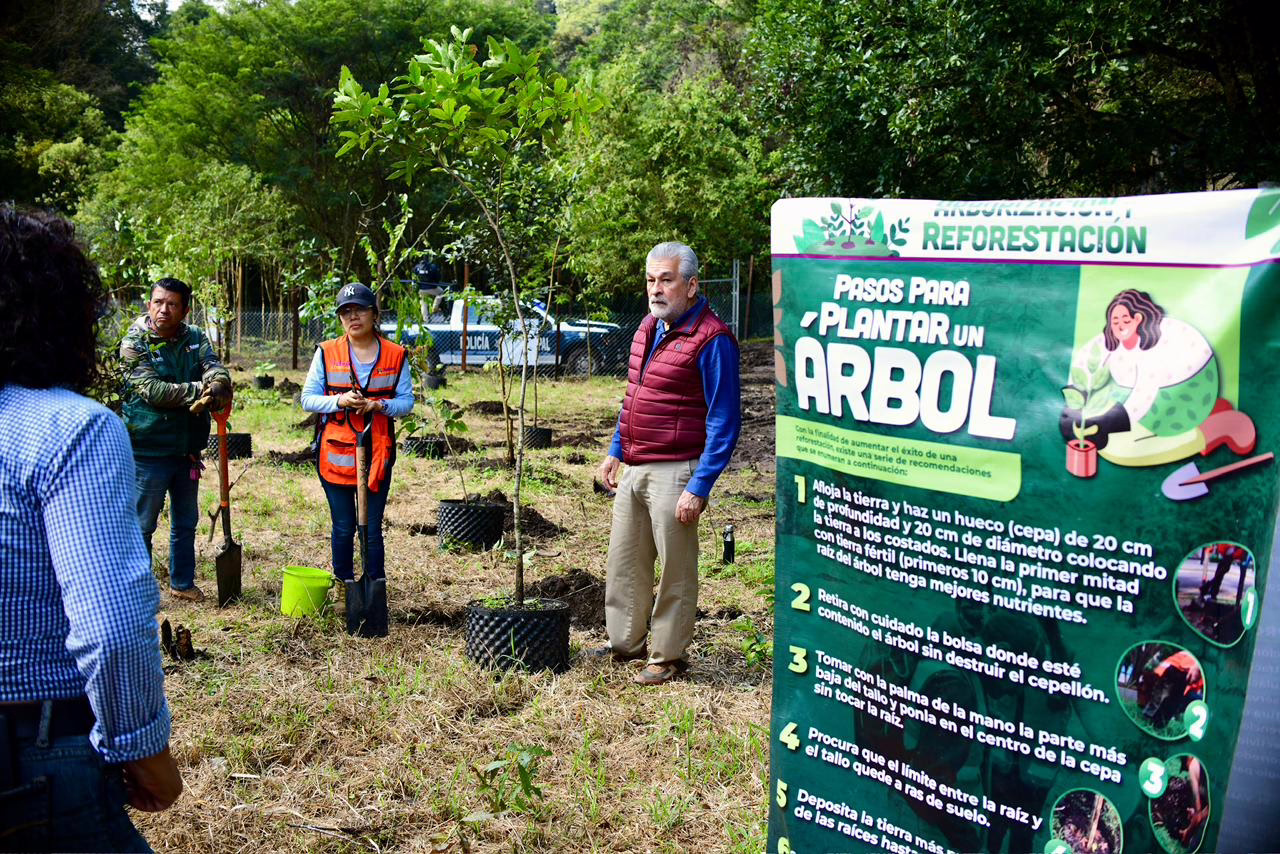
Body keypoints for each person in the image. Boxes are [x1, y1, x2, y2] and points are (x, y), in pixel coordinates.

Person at [0, 206, 182, 851]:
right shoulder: (65, 428)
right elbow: (110, 623)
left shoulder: (196, 346)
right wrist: (140, 746)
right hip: (31, 748)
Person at [593, 242, 741, 685]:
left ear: (692, 285)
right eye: (651, 280)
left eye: (667, 280)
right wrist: (616, 449)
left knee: (675, 566)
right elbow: (635, 396)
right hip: (636, 465)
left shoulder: (712, 339)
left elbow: (725, 420)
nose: (656, 289)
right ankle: (626, 643)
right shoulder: (646, 327)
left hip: (677, 469)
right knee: (625, 561)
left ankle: (667, 655)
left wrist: (699, 485)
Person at [300, 283, 414, 635]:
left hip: (378, 453)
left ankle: (375, 587)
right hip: (335, 453)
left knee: (373, 529)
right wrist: (339, 401)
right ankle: (344, 586)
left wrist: (379, 405)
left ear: (375, 315)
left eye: (360, 310)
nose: (353, 316)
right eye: (346, 311)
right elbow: (308, 399)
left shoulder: (395, 355)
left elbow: (406, 403)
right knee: (344, 527)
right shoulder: (326, 352)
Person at [120, 277, 231, 602]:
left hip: (187, 450)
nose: (163, 310)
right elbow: (154, 391)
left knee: (185, 521)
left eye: (171, 304)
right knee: (143, 523)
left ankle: (181, 583)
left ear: (184, 309)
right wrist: (201, 390)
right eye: (158, 302)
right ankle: (136, 589)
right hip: (148, 449)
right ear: (148, 303)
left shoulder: (194, 338)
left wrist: (218, 381)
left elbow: (213, 366)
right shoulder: (134, 342)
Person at [1059, 288, 1255, 466]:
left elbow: (1145, 394)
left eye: (1125, 320)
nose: (1119, 326)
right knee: (1107, 439)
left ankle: (1217, 428)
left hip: (1186, 392)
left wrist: (1109, 422)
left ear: (1138, 319)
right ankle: (1214, 415)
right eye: (1115, 322)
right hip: (1134, 395)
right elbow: (1086, 359)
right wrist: (1072, 409)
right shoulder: (1114, 340)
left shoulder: (1154, 348)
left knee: (1119, 452)